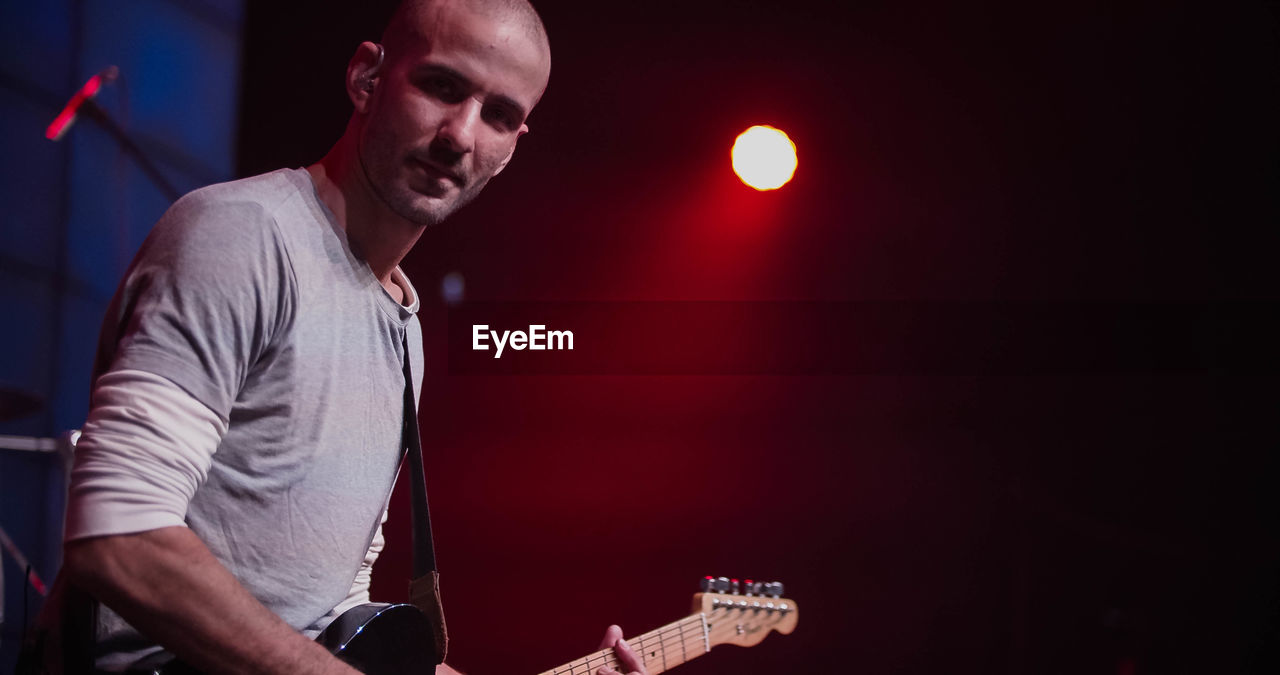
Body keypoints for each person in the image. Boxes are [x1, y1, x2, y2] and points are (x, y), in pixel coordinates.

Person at [28, 1, 647, 673]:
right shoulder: (242, 236)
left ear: (510, 150)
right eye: (442, 86)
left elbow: (331, 608)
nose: (461, 136)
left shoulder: (403, 330)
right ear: (365, 77)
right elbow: (118, 534)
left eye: (497, 116)